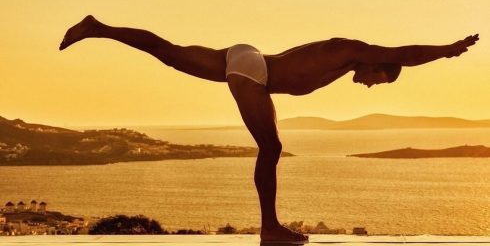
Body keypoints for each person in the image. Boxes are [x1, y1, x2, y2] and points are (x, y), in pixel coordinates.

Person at [60, 15, 478, 243]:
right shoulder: (353, 50)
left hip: (248, 56)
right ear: (377, 65)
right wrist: (447, 51)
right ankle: (270, 228)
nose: (370, 84)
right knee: (272, 148)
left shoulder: (343, 58)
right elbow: (405, 52)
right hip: (255, 69)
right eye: (377, 80)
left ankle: (98, 28)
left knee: (168, 52)